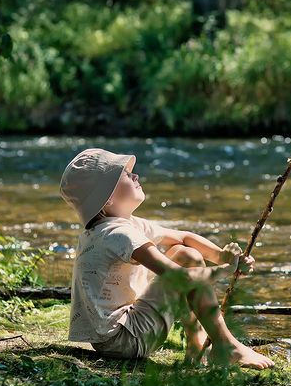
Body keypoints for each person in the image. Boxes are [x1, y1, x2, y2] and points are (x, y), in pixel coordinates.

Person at [59, 147, 275, 369]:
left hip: (117, 335)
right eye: (125, 174)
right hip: (125, 340)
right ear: (107, 199)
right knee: (187, 260)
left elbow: (184, 237)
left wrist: (221, 256)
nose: (136, 175)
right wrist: (226, 270)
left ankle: (197, 348)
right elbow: (179, 277)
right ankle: (226, 346)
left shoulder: (119, 225)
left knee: (186, 253)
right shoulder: (117, 234)